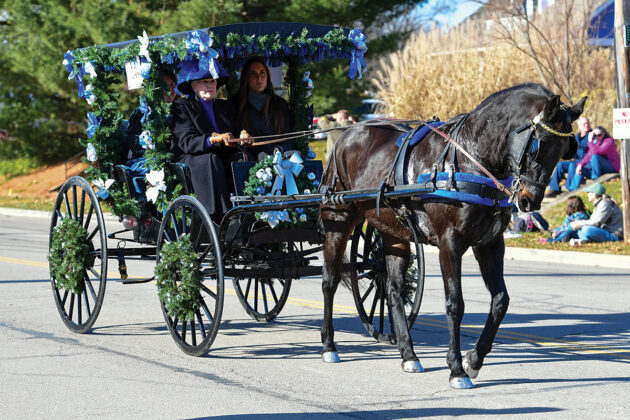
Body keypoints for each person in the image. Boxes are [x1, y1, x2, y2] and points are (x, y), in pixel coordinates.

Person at [171, 64, 249, 222]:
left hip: (222, 155)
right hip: (192, 157)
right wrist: (212, 139)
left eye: (212, 81)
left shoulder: (224, 106)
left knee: (242, 158)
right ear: (193, 86)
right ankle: (223, 216)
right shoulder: (182, 106)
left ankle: (248, 211)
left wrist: (243, 134)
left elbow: (235, 130)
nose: (210, 85)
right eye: (204, 81)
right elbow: (187, 142)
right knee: (212, 160)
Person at [121, 69, 178, 203]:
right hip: (144, 159)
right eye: (165, 86)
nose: (170, 90)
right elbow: (136, 145)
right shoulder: (141, 113)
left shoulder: (181, 108)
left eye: (172, 85)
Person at [231, 57, 294, 159]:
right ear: (246, 77)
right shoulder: (234, 104)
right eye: (253, 74)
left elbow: (288, 138)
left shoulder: (280, 104)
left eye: (262, 73)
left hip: (278, 157)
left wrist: (278, 152)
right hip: (250, 158)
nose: (259, 78)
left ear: (268, 76)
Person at [545, 116, 591, 197]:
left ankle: (569, 189)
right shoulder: (577, 136)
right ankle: (554, 189)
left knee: (573, 165)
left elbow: (592, 152)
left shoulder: (592, 135)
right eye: (584, 124)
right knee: (560, 165)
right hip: (577, 160)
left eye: (587, 123)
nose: (586, 125)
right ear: (579, 126)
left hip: (587, 162)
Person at [567, 126, 620, 191]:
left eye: (599, 135)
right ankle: (572, 191)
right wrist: (580, 165)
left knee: (595, 157)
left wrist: (590, 141)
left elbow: (596, 152)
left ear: (604, 134)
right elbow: (588, 155)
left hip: (612, 167)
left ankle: (595, 179)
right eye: (595, 135)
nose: (597, 137)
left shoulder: (609, 141)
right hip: (599, 167)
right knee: (580, 170)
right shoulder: (595, 142)